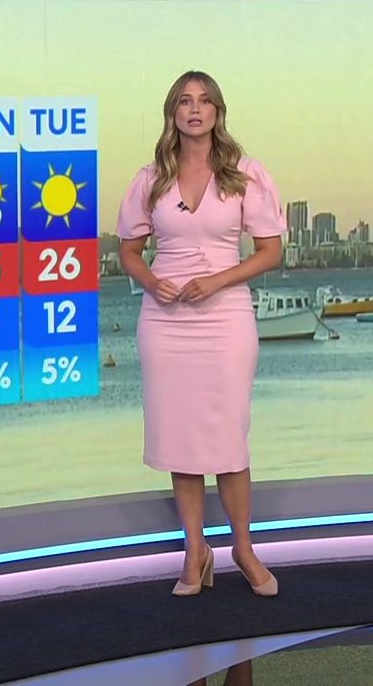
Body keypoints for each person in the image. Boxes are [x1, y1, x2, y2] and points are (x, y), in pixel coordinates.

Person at [116, 70, 287, 597]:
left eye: (205, 100)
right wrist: (153, 282)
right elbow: (129, 251)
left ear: (218, 111)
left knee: (228, 437)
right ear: (173, 111)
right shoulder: (151, 179)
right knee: (180, 440)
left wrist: (217, 280)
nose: (195, 109)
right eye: (185, 101)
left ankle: (243, 549)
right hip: (166, 323)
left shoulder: (245, 174)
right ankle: (196, 553)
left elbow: (271, 252)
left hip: (225, 317)